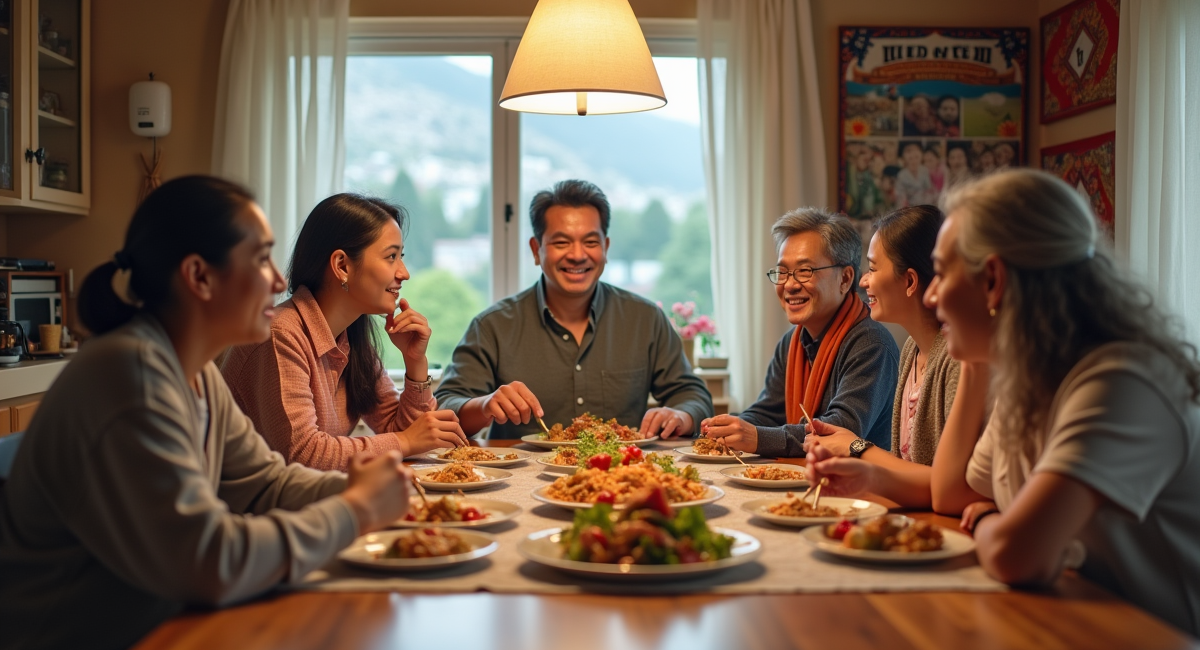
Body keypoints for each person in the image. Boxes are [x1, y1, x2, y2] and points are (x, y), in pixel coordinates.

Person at [0, 177, 412, 650]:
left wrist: (360, 490)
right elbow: (209, 561)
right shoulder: (132, 378)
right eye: (260, 259)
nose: (278, 281)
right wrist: (356, 510)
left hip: (156, 648)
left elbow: (265, 484)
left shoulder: (191, 371)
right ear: (199, 276)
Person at [930, 170, 1200, 635]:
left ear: (993, 279)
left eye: (939, 273)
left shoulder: (1123, 382)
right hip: (1077, 638)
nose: (931, 294)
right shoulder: (1031, 376)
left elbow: (1017, 555)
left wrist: (992, 523)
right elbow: (957, 493)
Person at [435, 179, 713, 440]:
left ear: (605, 247)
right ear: (536, 249)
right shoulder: (492, 326)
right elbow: (446, 406)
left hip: (622, 471)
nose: (578, 255)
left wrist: (681, 415)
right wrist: (485, 405)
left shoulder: (645, 319)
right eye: (561, 242)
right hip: (520, 475)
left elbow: (693, 396)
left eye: (591, 242)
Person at [222, 194, 466, 469]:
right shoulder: (281, 334)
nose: (404, 273)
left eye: (402, 257)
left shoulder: (350, 336)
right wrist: (406, 441)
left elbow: (404, 433)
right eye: (391, 257)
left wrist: (415, 361)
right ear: (342, 266)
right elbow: (302, 454)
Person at [803, 205, 987, 511]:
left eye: (873, 269)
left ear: (910, 282)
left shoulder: (958, 359)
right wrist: (853, 450)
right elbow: (907, 468)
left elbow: (948, 485)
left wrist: (857, 448)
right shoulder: (911, 350)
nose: (864, 281)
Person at [702, 208, 898, 457]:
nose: (790, 285)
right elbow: (768, 412)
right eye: (782, 272)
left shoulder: (871, 343)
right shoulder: (791, 342)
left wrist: (756, 437)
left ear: (845, 279)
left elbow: (839, 431)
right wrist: (727, 427)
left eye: (805, 271)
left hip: (857, 480)